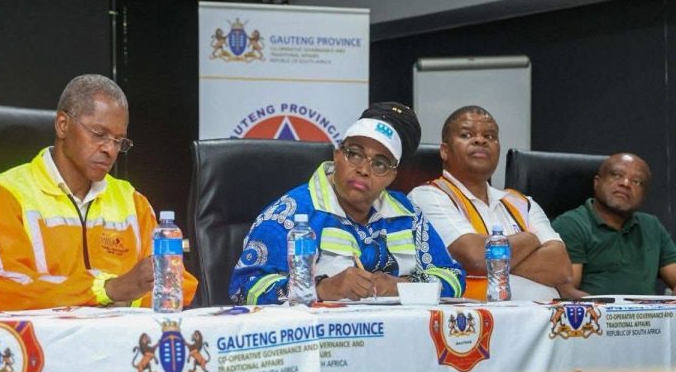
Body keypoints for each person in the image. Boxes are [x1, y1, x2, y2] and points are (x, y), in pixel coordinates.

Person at [0, 74, 197, 310]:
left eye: (119, 141)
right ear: (63, 125)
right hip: (29, 334)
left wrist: (127, 295)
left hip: (116, 334)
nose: (110, 149)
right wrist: (108, 290)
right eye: (99, 134)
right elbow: (10, 288)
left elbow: (179, 285)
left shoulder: (131, 201)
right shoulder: (5, 193)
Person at [230, 102, 464, 305]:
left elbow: (453, 277)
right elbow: (245, 288)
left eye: (380, 164)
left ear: (392, 176)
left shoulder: (408, 215)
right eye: (355, 154)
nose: (363, 169)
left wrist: (403, 285)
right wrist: (321, 289)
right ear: (337, 155)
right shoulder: (292, 213)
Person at [409, 105, 580, 301]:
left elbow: (561, 268)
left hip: (541, 316)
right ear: (445, 151)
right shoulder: (429, 196)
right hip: (475, 316)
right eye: (466, 135)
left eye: (489, 136)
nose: (480, 140)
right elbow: (475, 257)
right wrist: (529, 240)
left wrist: (492, 260)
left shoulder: (523, 203)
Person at [552, 153, 676, 295]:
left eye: (636, 181)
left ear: (643, 196)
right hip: (597, 309)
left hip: (649, 309)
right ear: (597, 182)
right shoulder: (571, 225)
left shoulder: (652, 226)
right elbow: (567, 293)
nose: (625, 183)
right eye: (617, 175)